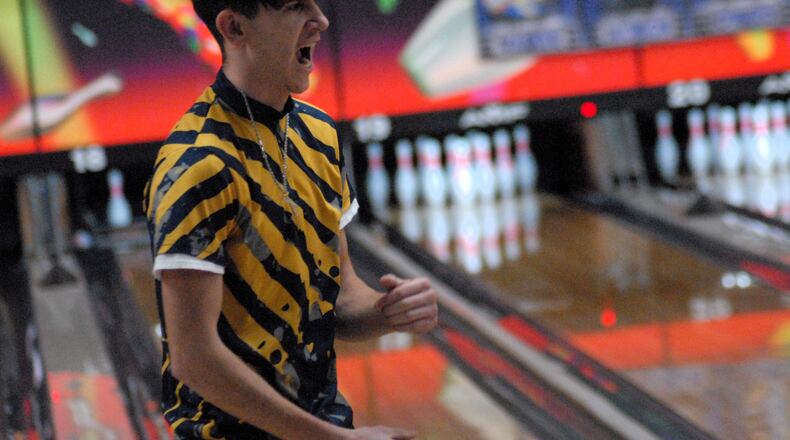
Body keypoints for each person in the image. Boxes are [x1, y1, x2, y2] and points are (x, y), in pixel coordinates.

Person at [143, 1, 439, 438]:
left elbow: (335, 300)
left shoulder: (318, 135)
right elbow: (195, 359)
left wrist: (385, 311)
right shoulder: (198, 165)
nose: (321, 21)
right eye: (297, 7)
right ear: (234, 27)